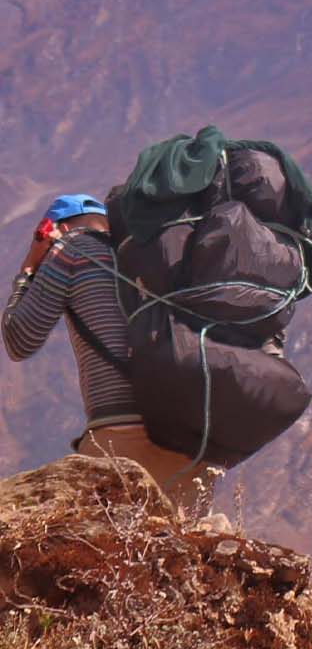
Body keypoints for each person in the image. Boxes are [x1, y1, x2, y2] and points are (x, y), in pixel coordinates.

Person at [3, 192, 221, 516]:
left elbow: (19, 340)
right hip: (191, 435)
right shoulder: (154, 253)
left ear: (51, 228)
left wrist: (30, 267)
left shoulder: (71, 249)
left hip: (122, 437)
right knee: (183, 552)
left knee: (107, 551)